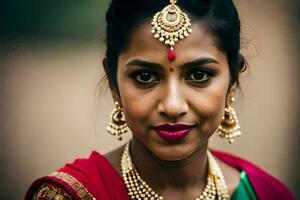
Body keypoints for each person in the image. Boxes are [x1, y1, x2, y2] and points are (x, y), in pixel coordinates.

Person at [25, 0, 294, 199]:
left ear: (232, 80)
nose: (173, 105)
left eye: (199, 74)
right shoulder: (69, 196)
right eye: (145, 77)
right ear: (114, 83)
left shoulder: (265, 194)